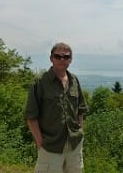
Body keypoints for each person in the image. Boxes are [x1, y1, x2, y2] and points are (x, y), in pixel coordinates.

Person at [25, 42, 89, 173]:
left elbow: (80, 111)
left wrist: (80, 132)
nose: (62, 59)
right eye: (58, 56)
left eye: (66, 57)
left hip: (74, 145)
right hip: (50, 147)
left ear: (70, 60)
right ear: (51, 58)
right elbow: (31, 117)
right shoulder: (40, 82)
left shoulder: (74, 81)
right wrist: (40, 143)